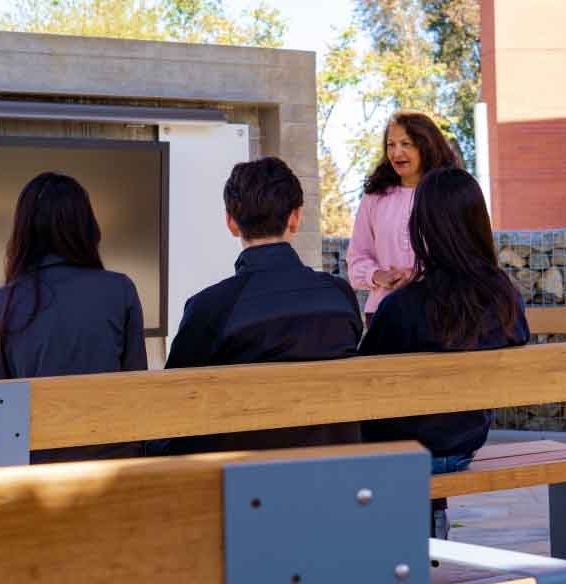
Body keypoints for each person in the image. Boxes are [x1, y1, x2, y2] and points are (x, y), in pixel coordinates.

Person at [0, 171, 147, 584]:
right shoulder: (120, 291)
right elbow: (134, 387)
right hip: (108, 473)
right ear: (86, 227)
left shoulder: (1, 304)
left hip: (41, 478)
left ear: (23, 231)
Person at [358, 167, 530, 539]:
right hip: (464, 443)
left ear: (423, 229)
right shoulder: (505, 299)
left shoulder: (402, 306)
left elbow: (363, 383)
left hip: (407, 452)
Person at [156, 156, 363, 454]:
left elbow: (173, 403)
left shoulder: (210, 308)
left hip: (243, 484)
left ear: (231, 222)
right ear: (296, 217)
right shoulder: (339, 298)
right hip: (337, 474)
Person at [347, 110, 461, 324]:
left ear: (425, 145)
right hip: (383, 313)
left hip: (437, 310)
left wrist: (416, 274)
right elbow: (356, 260)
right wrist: (377, 275)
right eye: (391, 145)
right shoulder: (374, 198)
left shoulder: (447, 194)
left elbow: (460, 258)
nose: (396, 152)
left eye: (406, 144)